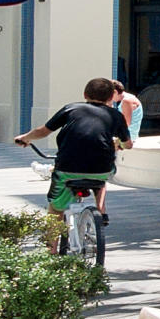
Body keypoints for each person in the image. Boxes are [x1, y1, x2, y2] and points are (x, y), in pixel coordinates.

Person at [14, 78, 131, 232]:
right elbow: (128, 144)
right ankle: (101, 210)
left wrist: (25, 138)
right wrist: (119, 144)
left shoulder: (71, 109)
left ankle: (52, 250)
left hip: (67, 167)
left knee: (56, 209)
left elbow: (43, 131)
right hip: (102, 169)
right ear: (110, 97)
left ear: (85, 94)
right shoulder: (115, 115)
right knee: (101, 179)